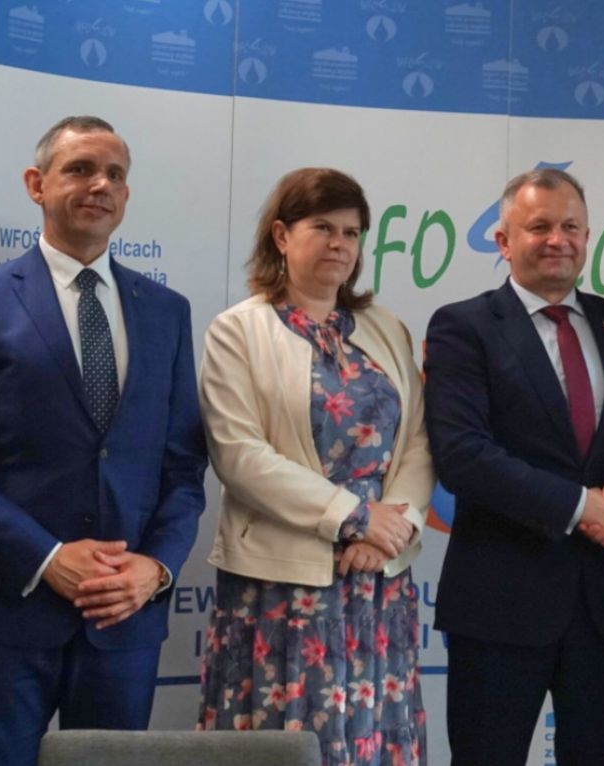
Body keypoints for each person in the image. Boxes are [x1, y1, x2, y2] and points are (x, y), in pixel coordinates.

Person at [0, 115, 208, 766]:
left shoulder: (168, 312)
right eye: (80, 169)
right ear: (36, 184)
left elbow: (184, 469)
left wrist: (156, 569)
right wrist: (47, 558)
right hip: (5, 615)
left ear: (126, 195)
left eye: (115, 175)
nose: (100, 185)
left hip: (124, 621)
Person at [197, 168, 433, 765]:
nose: (339, 244)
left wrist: (393, 528)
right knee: (285, 744)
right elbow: (239, 453)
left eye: (351, 233)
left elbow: (418, 441)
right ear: (281, 235)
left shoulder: (387, 328)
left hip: (377, 579)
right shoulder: (237, 331)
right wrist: (355, 517)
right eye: (322, 228)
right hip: (282, 585)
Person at [423, 168, 604, 766]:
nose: (558, 240)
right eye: (540, 227)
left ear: (588, 237)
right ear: (504, 241)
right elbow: (463, 456)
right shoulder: (463, 326)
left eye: (571, 227)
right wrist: (582, 507)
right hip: (500, 605)